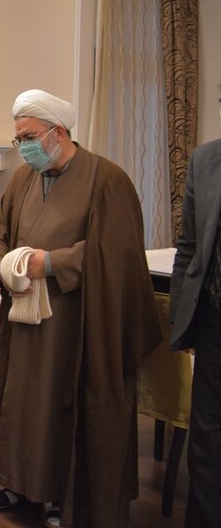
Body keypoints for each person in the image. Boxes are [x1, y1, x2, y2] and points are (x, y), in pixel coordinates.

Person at [0, 89, 161, 528]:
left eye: (29, 137)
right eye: (18, 138)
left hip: (77, 324)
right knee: (21, 405)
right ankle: (20, 484)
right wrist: (6, 264)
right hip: (23, 317)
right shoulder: (23, 179)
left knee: (65, 409)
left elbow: (115, 252)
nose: (22, 146)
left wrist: (49, 263)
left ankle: (66, 497)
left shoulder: (107, 180)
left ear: (58, 133)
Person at [170, 136, 221, 527]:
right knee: (207, 440)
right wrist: (183, 319)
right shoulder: (205, 160)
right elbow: (187, 246)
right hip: (213, 321)